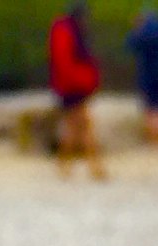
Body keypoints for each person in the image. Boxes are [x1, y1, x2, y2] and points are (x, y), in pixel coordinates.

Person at [48, 3, 107, 178]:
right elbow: (65, 62)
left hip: (72, 86)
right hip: (73, 87)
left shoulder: (66, 30)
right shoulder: (68, 31)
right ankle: (94, 167)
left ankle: (66, 166)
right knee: (83, 126)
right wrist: (85, 80)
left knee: (74, 127)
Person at [129, 9, 158, 142]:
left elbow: (131, 46)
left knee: (151, 110)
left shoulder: (141, 35)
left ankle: (155, 139)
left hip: (147, 77)